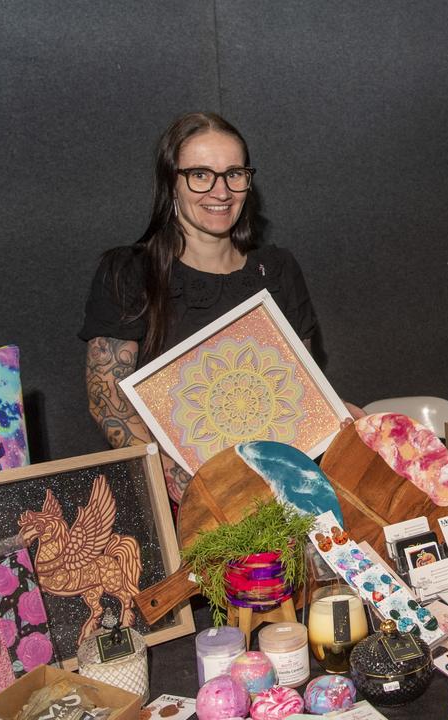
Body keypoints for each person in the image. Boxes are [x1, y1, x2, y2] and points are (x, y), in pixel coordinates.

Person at [80, 111, 361, 502]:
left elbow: (302, 390)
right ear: (170, 182)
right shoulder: (130, 272)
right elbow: (106, 401)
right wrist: (193, 490)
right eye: (200, 174)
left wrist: (340, 417)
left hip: (283, 493)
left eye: (234, 173)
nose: (221, 191)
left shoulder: (277, 269)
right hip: (186, 504)